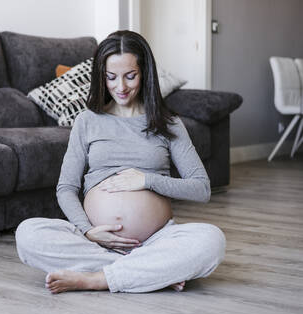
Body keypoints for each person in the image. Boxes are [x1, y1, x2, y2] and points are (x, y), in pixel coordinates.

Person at [15, 30, 226, 294]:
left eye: (130, 76)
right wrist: (88, 231)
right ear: (101, 77)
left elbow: (201, 188)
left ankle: (98, 278)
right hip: (94, 240)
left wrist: (147, 180)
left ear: (145, 73)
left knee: (212, 241)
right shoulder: (87, 121)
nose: (121, 87)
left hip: (156, 239)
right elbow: (66, 188)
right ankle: (150, 272)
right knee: (27, 234)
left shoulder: (168, 123)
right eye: (111, 77)